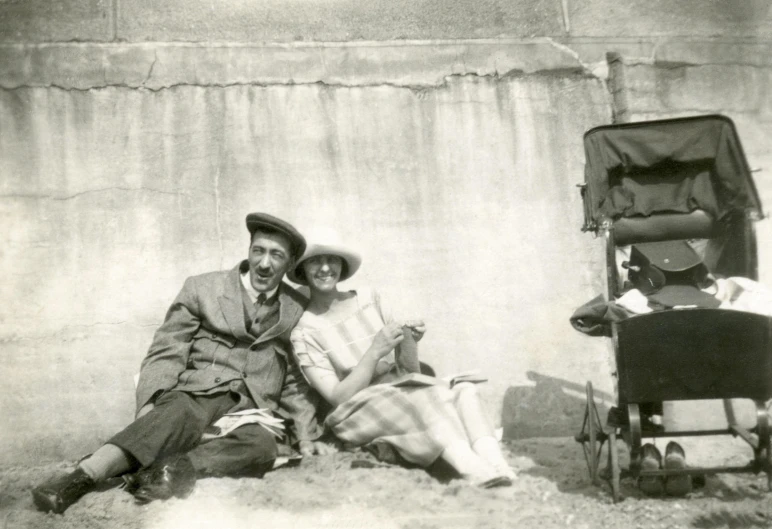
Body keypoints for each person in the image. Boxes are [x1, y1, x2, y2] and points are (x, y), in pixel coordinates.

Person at [32, 212, 332, 514]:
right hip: (195, 396)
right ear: (249, 250)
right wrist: (149, 403)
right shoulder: (202, 288)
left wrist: (305, 435)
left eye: (276, 255)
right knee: (169, 419)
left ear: (290, 263)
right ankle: (77, 480)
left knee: (262, 446)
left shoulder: (295, 309)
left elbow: (295, 379)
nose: (264, 263)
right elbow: (168, 349)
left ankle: (165, 469)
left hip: (249, 410)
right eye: (259, 251)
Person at [286, 230, 516, 487]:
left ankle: (498, 466)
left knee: (465, 389)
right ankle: (472, 469)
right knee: (426, 397)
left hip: (401, 390)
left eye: (333, 260)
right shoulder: (304, 333)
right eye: (315, 261)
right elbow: (338, 397)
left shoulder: (370, 299)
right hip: (358, 410)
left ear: (342, 265)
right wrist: (374, 351)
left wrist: (410, 342)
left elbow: (406, 370)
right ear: (303, 269)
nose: (325, 268)